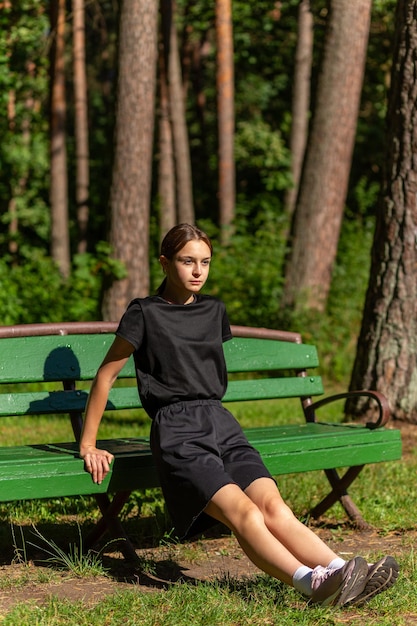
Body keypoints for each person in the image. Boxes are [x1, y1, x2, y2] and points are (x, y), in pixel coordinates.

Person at [80, 223, 399, 607]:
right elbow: (106, 375)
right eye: (187, 261)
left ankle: (344, 570)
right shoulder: (144, 313)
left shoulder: (214, 309)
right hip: (178, 431)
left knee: (274, 507)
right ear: (165, 263)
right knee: (244, 512)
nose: (198, 271)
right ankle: (310, 584)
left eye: (205, 262)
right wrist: (88, 444)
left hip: (222, 424)